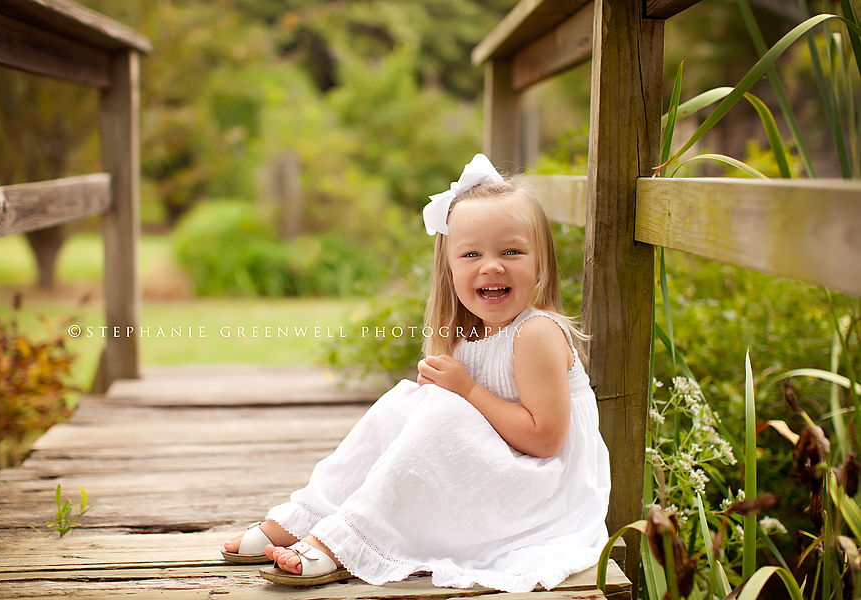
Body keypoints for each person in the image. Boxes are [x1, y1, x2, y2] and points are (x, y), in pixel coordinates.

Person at [221, 154, 611, 592]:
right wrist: (441, 396)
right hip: (500, 469)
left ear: (541, 263)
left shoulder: (536, 333)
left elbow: (545, 440)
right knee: (403, 404)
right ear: (449, 269)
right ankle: (306, 515)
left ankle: (347, 541)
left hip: (542, 491)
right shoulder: (472, 335)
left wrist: (464, 391)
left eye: (511, 251)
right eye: (471, 254)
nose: (492, 266)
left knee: (442, 412)